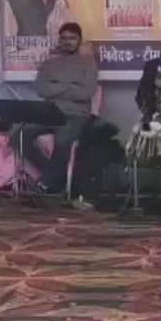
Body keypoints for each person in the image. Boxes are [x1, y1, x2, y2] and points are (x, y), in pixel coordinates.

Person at [14, 23, 98, 194]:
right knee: (18, 135)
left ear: (80, 40)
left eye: (72, 38)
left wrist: (56, 86)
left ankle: (46, 183)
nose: (68, 42)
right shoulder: (50, 64)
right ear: (59, 40)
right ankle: (51, 174)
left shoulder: (88, 63)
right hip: (50, 112)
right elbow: (41, 90)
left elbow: (86, 93)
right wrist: (71, 85)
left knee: (63, 141)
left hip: (76, 115)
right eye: (64, 38)